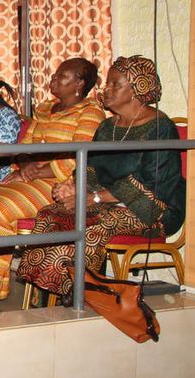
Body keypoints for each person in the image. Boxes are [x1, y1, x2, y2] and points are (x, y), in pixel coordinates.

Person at [16, 56, 185, 299]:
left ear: (138, 88)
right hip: (105, 200)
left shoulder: (160, 128)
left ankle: (84, 295)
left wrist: (92, 198)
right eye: (108, 83)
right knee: (51, 213)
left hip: (151, 206)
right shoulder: (107, 127)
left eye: (116, 84)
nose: (107, 89)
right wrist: (73, 186)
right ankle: (49, 293)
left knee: (92, 226)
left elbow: (151, 184)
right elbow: (91, 168)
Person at [0, 57, 106, 300]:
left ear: (79, 84)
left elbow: (79, 158)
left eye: (62, 76)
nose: (54, 79)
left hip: (60, 184)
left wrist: (40, 171)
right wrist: (24, 164)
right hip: (30, 177)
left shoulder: (91, 113)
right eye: (55, 74)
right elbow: (25, 144)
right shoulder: (46, 108)